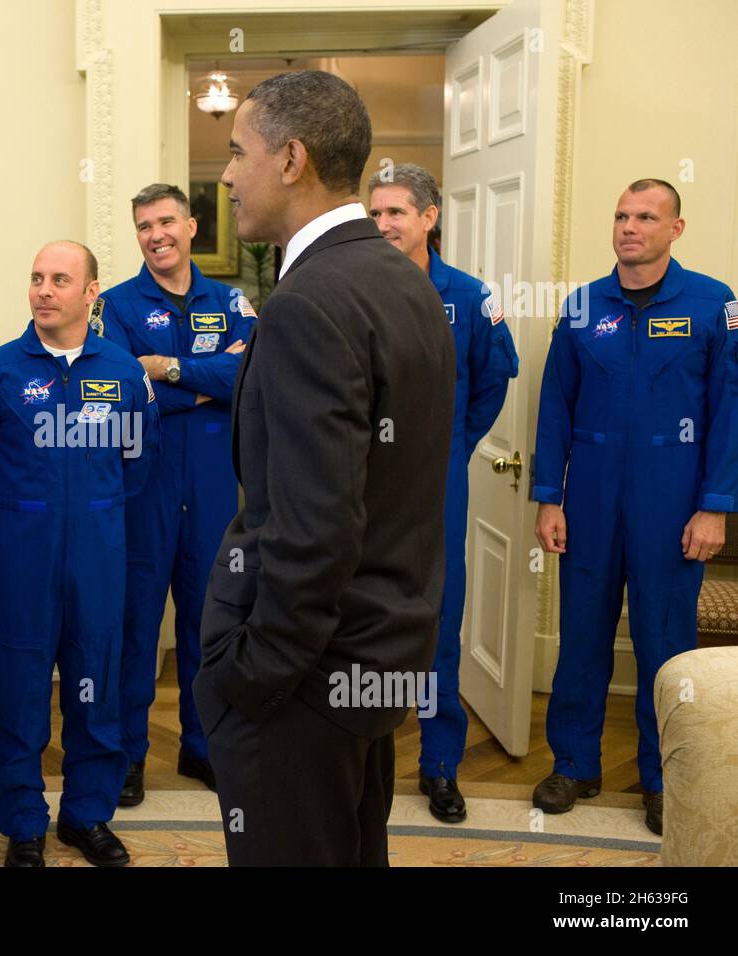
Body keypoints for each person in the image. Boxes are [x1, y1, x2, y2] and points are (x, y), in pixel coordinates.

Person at [193, 71, 455, 866]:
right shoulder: (405, 284)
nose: (228, 176)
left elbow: (315, 526)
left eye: (239, 152)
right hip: (378, 656)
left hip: (309, 678)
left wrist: (254, 674)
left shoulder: (311, 301)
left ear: (292, 158)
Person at [532, 178, 736, 835]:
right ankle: (575, 764)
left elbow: (729, 414)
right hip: (589, 500)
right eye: (622, 214)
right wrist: (547, 497)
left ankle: (661, 779)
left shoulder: (714, 305)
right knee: (582, 636)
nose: (630, 226)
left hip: (673, 503)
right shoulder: (584, 306)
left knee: (664, 645)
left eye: (646, 216)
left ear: (676, 229)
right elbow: (555, 405)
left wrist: (715, 506)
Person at [0, 241, 158, 867]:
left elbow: (136, 468)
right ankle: (22, 824)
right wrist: (31, 511)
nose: (44, 290)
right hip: (22, 555)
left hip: (98, 555)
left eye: (60, 279)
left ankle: (86, 816)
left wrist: (87, 512)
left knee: (96, 685)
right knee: (18, 690)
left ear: (92, 292)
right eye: (37, 278)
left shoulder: (125, 374)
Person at [368, 164, 519, 823]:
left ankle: (439, 766)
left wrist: (453, 442)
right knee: (365, 625)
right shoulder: (358, 290)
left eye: (396, 212)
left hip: (438, 487)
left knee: (437, 624)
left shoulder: (470, 296)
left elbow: (492, 382)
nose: (384, 225)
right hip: (368, 484)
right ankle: (363, 760)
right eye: (375, 214)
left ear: (429, 217)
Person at [97, 183, 254, 804]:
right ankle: (128, 754)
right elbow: (114, 389)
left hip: (215, 486)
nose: (155, 234)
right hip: (144, 487)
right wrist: (206, 384)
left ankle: (203, 747)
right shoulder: (112, 306)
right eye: (143, 226)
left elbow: (251, 373)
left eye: (165, 221)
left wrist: (166, 368)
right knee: (135, 627)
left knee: (209, 624)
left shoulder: (231, 299)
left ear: (191, 226)